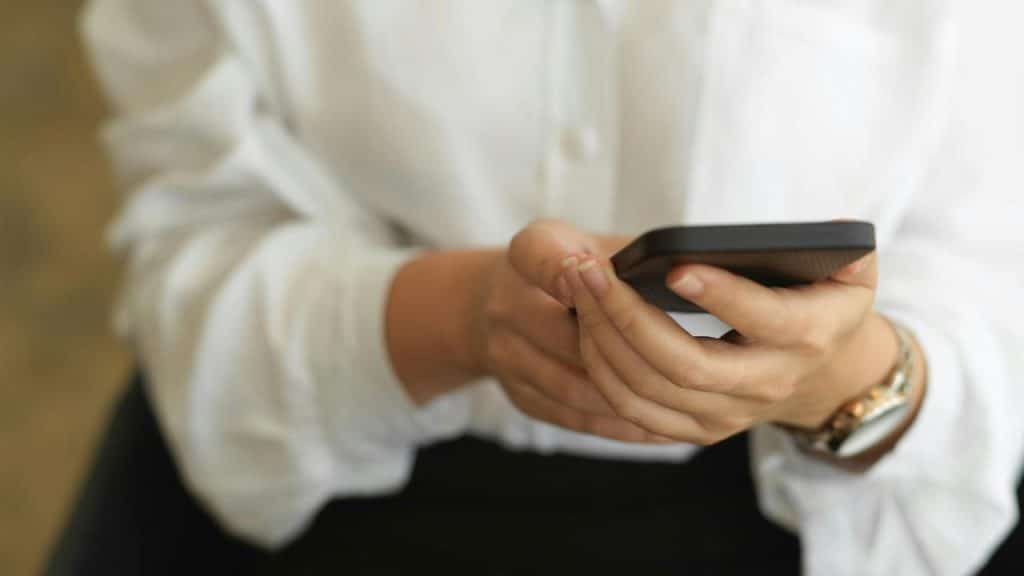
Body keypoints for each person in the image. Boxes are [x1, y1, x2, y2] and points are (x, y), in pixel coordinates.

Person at [75, 0, 1023, 573]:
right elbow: (198, 246)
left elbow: (992, 301)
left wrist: (842, 381)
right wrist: (461, 316)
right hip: (346, 471)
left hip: (829, 517)